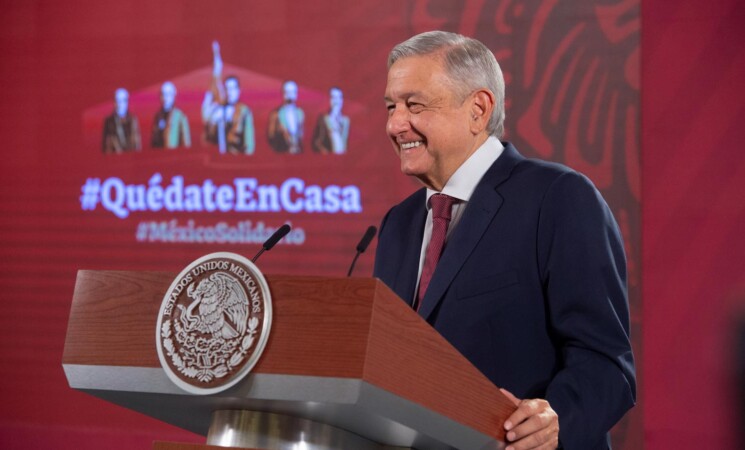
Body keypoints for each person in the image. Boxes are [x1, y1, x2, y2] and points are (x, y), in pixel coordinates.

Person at [374, 31, 636, 450]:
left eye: (414, 105)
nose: (394, 124)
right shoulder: (398, 225)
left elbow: (607, 364)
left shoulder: (558, 197)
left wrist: (555, 418)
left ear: (478, 109)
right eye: (390, 106)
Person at [202, 41, 255, 155]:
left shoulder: (244, 111)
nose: (230, 92)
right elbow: (205, 118)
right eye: (227, 89)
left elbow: (249, 144)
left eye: (232, 89)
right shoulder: (219, 109)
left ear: (238, 90)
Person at [267, 80, 304, 153]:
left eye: (292, 92)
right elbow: (271, 137)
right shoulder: (275, 114)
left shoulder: (300, 113)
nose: (290, 96)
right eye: (287, 92)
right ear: (283, 93)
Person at [151, 81, 191, 149]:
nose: (165, 98)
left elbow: (186, 143)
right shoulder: (158, 116)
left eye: (168, 94)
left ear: (173, 96)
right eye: (163, 94)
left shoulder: (180, 116)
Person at [312, 86, 350, 154]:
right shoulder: (323, 119)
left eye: (339, 97)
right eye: (334, 97)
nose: (337, 101)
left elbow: (345, 144)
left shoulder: (346, 121)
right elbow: (316, 143)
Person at [102, 88, 141, 153]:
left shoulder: (132, 120)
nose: (120, 104)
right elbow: (105, 146)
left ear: (127, 102)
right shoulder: (109, 121)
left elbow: (137, 144)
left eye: (123, 101)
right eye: (117, 101)